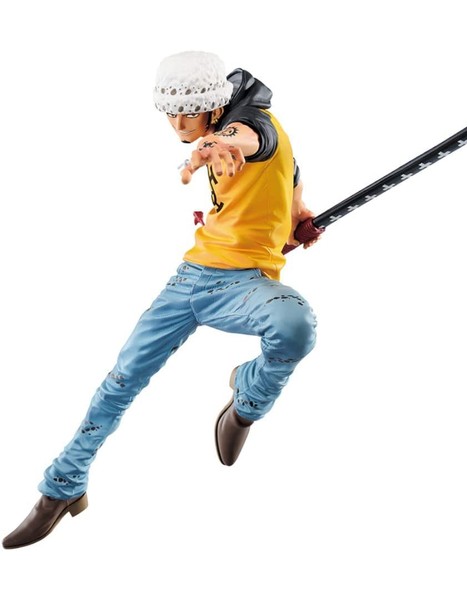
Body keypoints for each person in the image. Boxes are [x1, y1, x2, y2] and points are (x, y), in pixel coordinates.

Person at [3, 51, 320, 550]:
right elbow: (291, 168)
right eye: (170, 114)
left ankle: (248, 399)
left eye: (189, 115)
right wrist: (297, 210)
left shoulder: (251, 127)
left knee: (295, 325)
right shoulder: (228, 127)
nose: (179, 126)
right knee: (121, 381)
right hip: (190, 278)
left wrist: (217, 145)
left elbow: (250, 139)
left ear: (214, 106)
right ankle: (62, 487)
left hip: (242, 285)